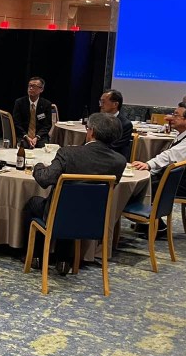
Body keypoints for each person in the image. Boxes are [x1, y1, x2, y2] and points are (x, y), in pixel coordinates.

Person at [26, 112, 125, 275]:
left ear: (91, 132)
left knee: (36, 203)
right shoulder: (119, 162)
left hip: (61, 215)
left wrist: (38, 166)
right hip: (94, 219)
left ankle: (36, 256)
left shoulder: (68, 153)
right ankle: (64, 260)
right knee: (75, 206)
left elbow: (44, 179)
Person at [131, 104, 186, 199]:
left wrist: (149, 165)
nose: (171, 118)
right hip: (173, 179)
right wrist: (149, 170)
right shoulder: (183, 135)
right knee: (139, 180)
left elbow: (170, 156)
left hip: (183, 184)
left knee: (136, 188)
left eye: (176, 115)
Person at [12, 77, 53, 149]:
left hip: (40, 136)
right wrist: (26, 136)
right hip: (23, 135)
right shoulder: (19, 102)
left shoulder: (46, 104)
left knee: (43, 149)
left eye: (34, 86)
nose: (30, 88)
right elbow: (16, 123)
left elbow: (47, 125)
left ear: (41, 89)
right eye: (29, 86)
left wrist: (37, 137)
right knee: (24, 148)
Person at [99, 89, 133, 159]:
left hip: (112, 158)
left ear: (115, 104)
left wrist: (94, 150)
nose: (100, 105)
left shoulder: (125, 124)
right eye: (100, 102)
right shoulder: (97, 120)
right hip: (96, 154)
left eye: (103, 102)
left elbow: (115, 146)